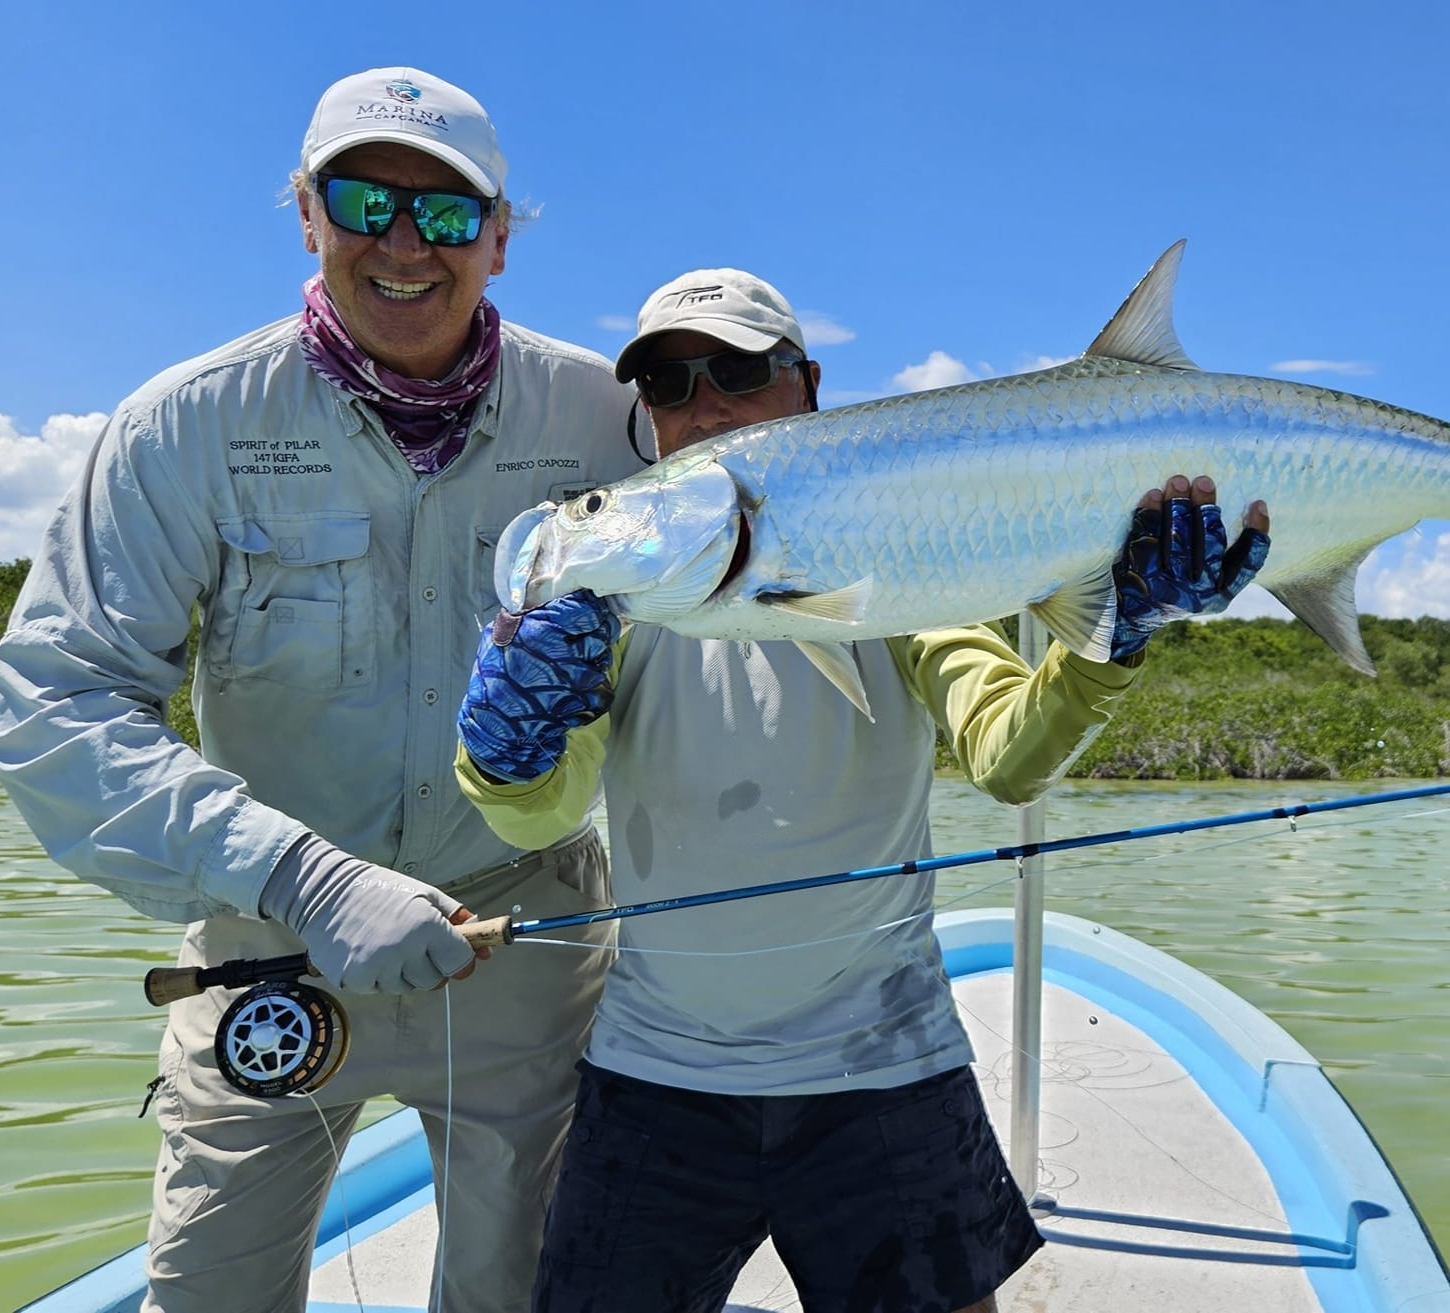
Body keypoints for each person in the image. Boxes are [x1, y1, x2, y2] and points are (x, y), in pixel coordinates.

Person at [454, 267, 1270, 1311]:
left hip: (885, 1064)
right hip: (657, 1067)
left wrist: (1116, 639)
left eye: (738, 372)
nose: (704, 406)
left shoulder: (902, 565)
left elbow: (1008, 757)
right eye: (667, 385)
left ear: (805, 386)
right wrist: (504, 749)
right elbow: (541, 812)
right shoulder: (613, 601)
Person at [0, 67, 645, 1313]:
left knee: (519, 1291)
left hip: (524, 929)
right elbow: (51, 700)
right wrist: (305, 878)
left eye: (446, 212)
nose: (404, 243)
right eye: (362, 201)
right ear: (304, 213)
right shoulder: (183, 425)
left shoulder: (610, 417)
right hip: (265, 932)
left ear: (500, 237)